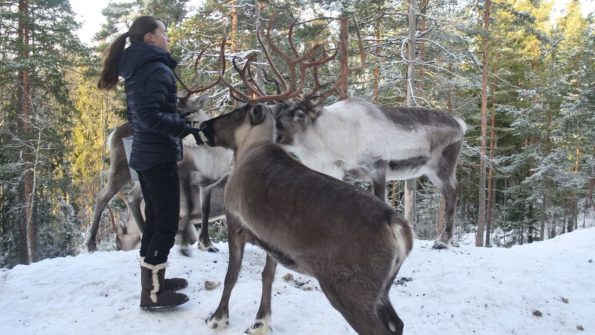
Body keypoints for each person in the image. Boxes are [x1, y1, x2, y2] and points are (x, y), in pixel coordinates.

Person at [98, 15, 201, 310]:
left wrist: (178, 120)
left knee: (156, 220)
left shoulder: (139, 67)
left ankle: (155, 283)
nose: (168, 37)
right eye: (164, 32)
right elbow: (148, 117)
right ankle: (153, 293)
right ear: (150, 38)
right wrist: (183, 128)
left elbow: (144, 114)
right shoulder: (154, 68)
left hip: (147, 153)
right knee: (165, 222)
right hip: (157, 155)